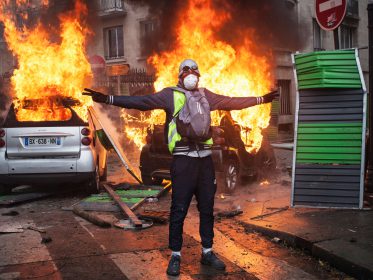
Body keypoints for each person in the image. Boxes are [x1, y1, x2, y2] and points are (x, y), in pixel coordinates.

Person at [83, 59, 277, 276]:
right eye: (187, 69)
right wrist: (108, 99)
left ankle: (208, 252)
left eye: (195, 69)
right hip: (183, 161)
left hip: (205, 161)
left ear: (199, 74)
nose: (191, 73)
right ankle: (175, 255)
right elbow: (140, 102)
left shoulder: (206, 95)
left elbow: (232, 102)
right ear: (180, 74)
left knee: (207, 209)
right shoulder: (170, 95)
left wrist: (262, 99)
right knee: (178, 210)